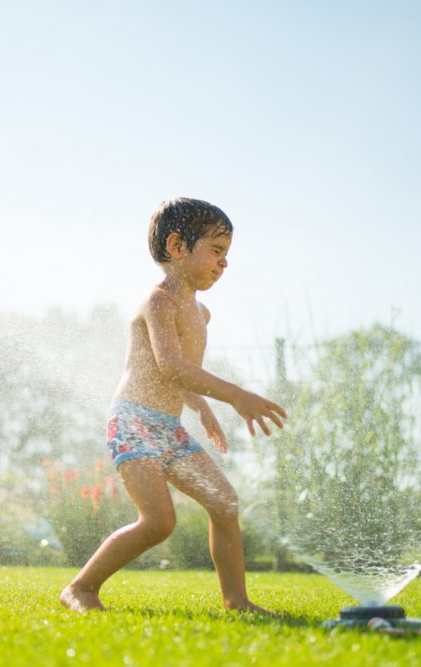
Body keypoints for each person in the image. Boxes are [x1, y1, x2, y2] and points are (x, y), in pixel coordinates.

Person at [60, 197, 287, 614]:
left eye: (227, 254)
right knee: (159, 522)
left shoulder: (202, 312)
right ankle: (81, 588)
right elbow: (169, 365)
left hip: (168, 427)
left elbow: (182, 375)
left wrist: (200, 409)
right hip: (133, 421)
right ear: (178, 245)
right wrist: (236, 395)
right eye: (216, 251)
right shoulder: (159, 300)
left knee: (225, 502)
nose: (224, 263)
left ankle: (236, 601)